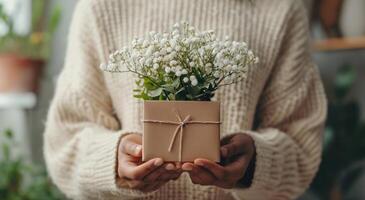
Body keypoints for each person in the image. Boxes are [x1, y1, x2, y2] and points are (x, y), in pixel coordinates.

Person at [43, 0, 327, 199]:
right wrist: (113, 161)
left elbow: (300, 144)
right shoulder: (101, 7)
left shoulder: (281, 11)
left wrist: (253, 164)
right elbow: (65, 142)